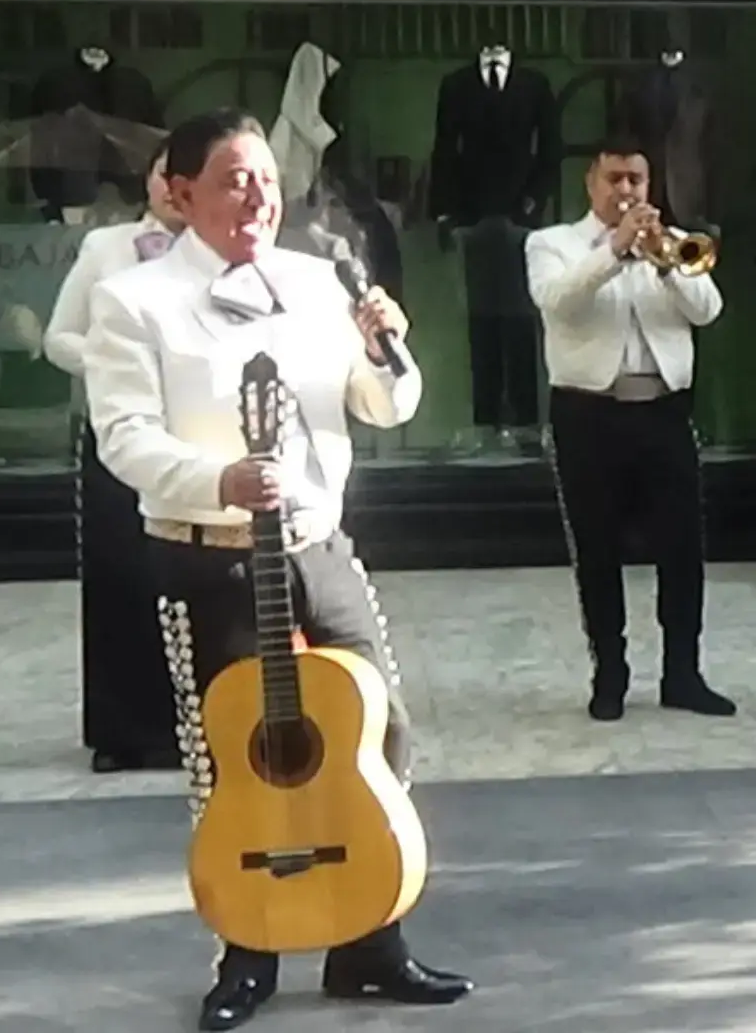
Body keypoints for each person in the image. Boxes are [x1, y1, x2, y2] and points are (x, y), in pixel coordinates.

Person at [83, 107, 473, 1031]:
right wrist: (217, 476)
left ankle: (371, 941)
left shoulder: (315, 278)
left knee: (378, 736)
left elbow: (380, 405)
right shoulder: (133, 300)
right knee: (235, 760)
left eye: (264, 175)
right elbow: (124, 437)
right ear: (180, 195)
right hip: (206, 553)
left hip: (315, 542)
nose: (256, 194)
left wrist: (386, 346)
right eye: (230, 178)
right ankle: (247, 950)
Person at [525, 133, 734, 723]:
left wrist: (663, 263)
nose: (625, 190)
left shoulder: (668, 245)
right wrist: (614, 251)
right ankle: (610, 676)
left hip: (664, 411)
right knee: (597, 549)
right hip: (587, 412)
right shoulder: (553, 244)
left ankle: (683, 675)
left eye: (635, 180)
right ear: (590, 183)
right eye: (613, 179)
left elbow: (708, 310)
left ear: (649, 185)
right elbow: (558, 301)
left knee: (682, 549)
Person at [45, 138, 185, 772]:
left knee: (193, 578)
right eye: (163, 171)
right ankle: (125, 732)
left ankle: (210, 719)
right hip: (119, 429)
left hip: (202, 438)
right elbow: (59, 337)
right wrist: (119, 364)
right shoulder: (107, 247)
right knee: (119, 577)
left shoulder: (230, 252)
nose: (172, 184)